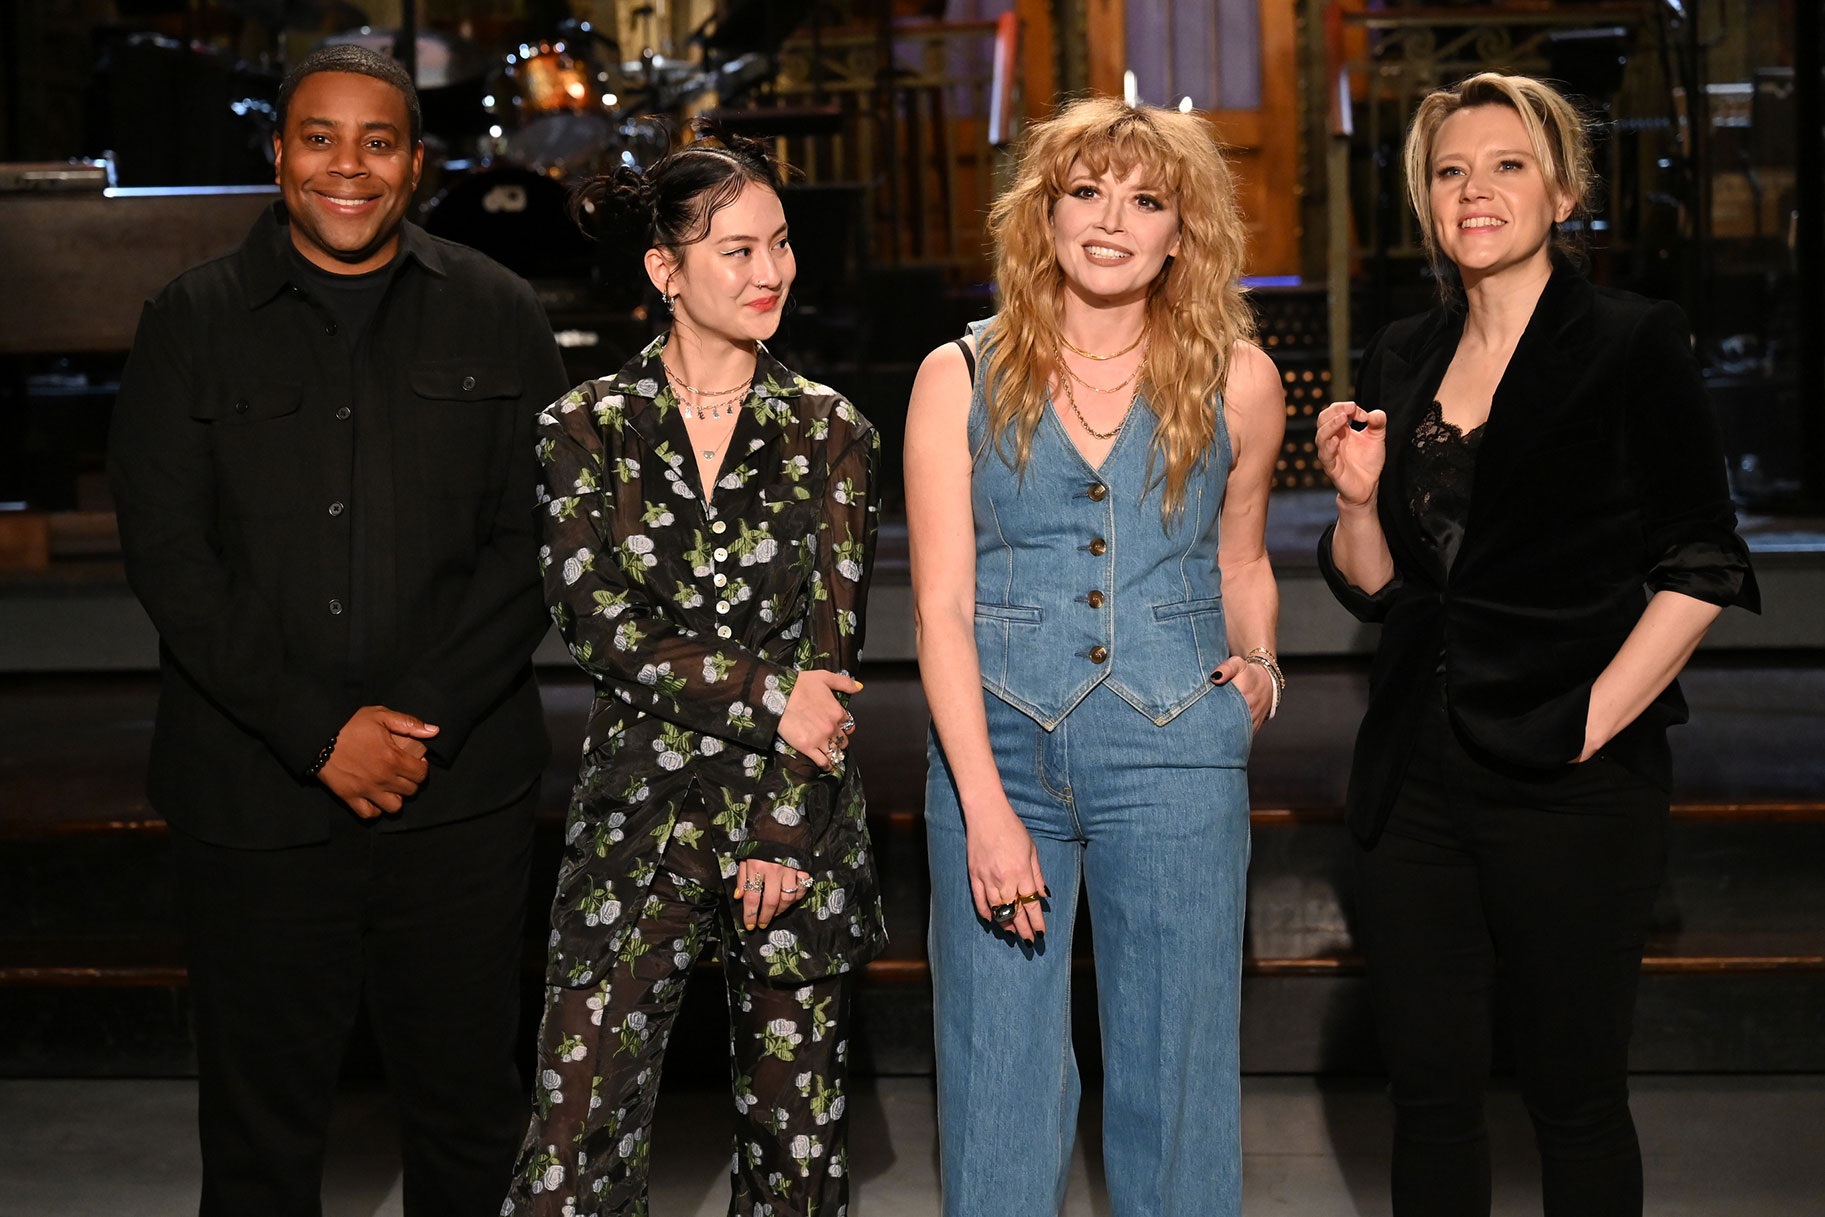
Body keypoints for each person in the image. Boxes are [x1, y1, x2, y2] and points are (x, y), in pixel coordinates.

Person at [107, 44, 568, 1217]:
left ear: (415, 164)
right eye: (319, 138)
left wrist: (408, 727)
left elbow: (536, 546)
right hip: (253, 799)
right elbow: (170, 558)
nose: (346, 166)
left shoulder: (500, 311)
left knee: (469, 1118)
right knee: (260, 1140)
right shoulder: (190, 320)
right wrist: (319, 732)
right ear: (278, 155)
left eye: (376, 141)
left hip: (455, 797)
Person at [1315, 72, 1761, 1217]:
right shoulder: (1406, 353)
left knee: (1573, 1095)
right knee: (1428, 1096)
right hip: (1414, 777)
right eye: (1450, 170)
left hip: (1573, 778)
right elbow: (1379, 590)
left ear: (1562, 192)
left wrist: (1588, 718)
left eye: (1507, 165)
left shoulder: (1630, 340)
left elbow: (1701, 562)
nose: (1476, 189)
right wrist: (1360, 501)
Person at [906, 97, 1285, 1216]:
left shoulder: (1240, 381)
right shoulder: (956, 374)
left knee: (1176, 1079)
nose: (1111, 219)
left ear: (1184, 231)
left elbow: (1243, 557)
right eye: (1085, 191)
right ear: (1043, 213)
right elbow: (938, 605)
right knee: (994, 1082)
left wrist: (1260, 663)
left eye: (1145, 198)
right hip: (996, 750)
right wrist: (982, 804)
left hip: (1174, 751)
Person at [504, 120, 885, 1217]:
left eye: (779, 244)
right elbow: (600, 625)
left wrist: (783, 826)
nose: (769, 271)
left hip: (789, 832)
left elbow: (833, 650)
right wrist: (771, 695)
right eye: (736, 250)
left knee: (795, 1157)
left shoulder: (831, 430)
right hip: (637, 822)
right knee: (570, 1147)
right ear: (663, 270)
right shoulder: (585, 426)